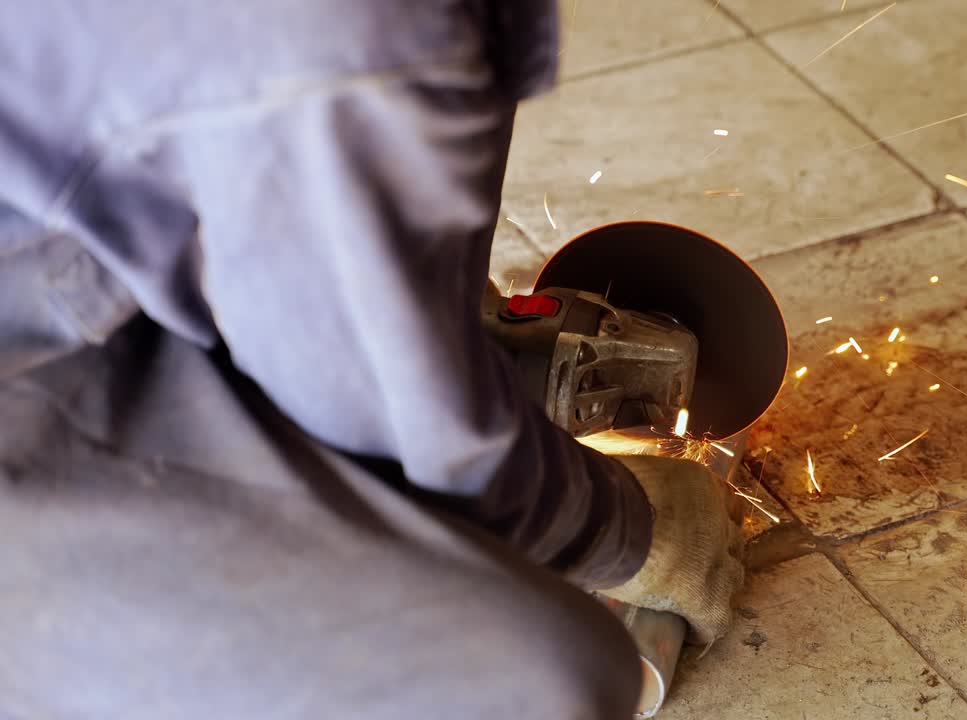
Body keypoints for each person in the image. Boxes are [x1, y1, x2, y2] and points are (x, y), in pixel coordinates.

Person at [0, 3, 744, 718]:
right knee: (546, 676)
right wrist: (639, 531)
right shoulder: (361, 34)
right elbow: (396, 423)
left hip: (55, 290)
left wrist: (422, 308)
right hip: (31, 404)